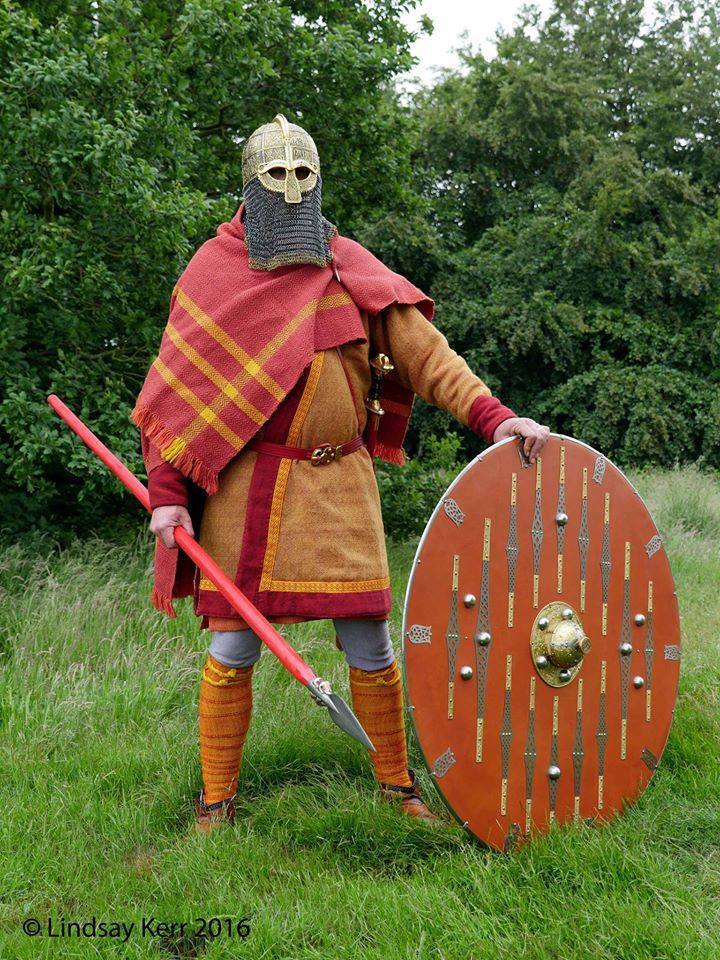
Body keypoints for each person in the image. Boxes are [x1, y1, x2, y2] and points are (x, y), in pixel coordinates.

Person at [133, 114, 549, 831]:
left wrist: (495, 417)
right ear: (250, 186)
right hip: (248, 493)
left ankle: (396, 787)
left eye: (304, 175)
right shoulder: (213, 275)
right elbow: (179, 397)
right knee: (233, 646)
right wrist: (168, 497)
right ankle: (216, 801)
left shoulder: (347, 267)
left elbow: (428, 357)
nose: (292, 189)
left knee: (370, 642)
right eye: (278, 175)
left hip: (341, 487)